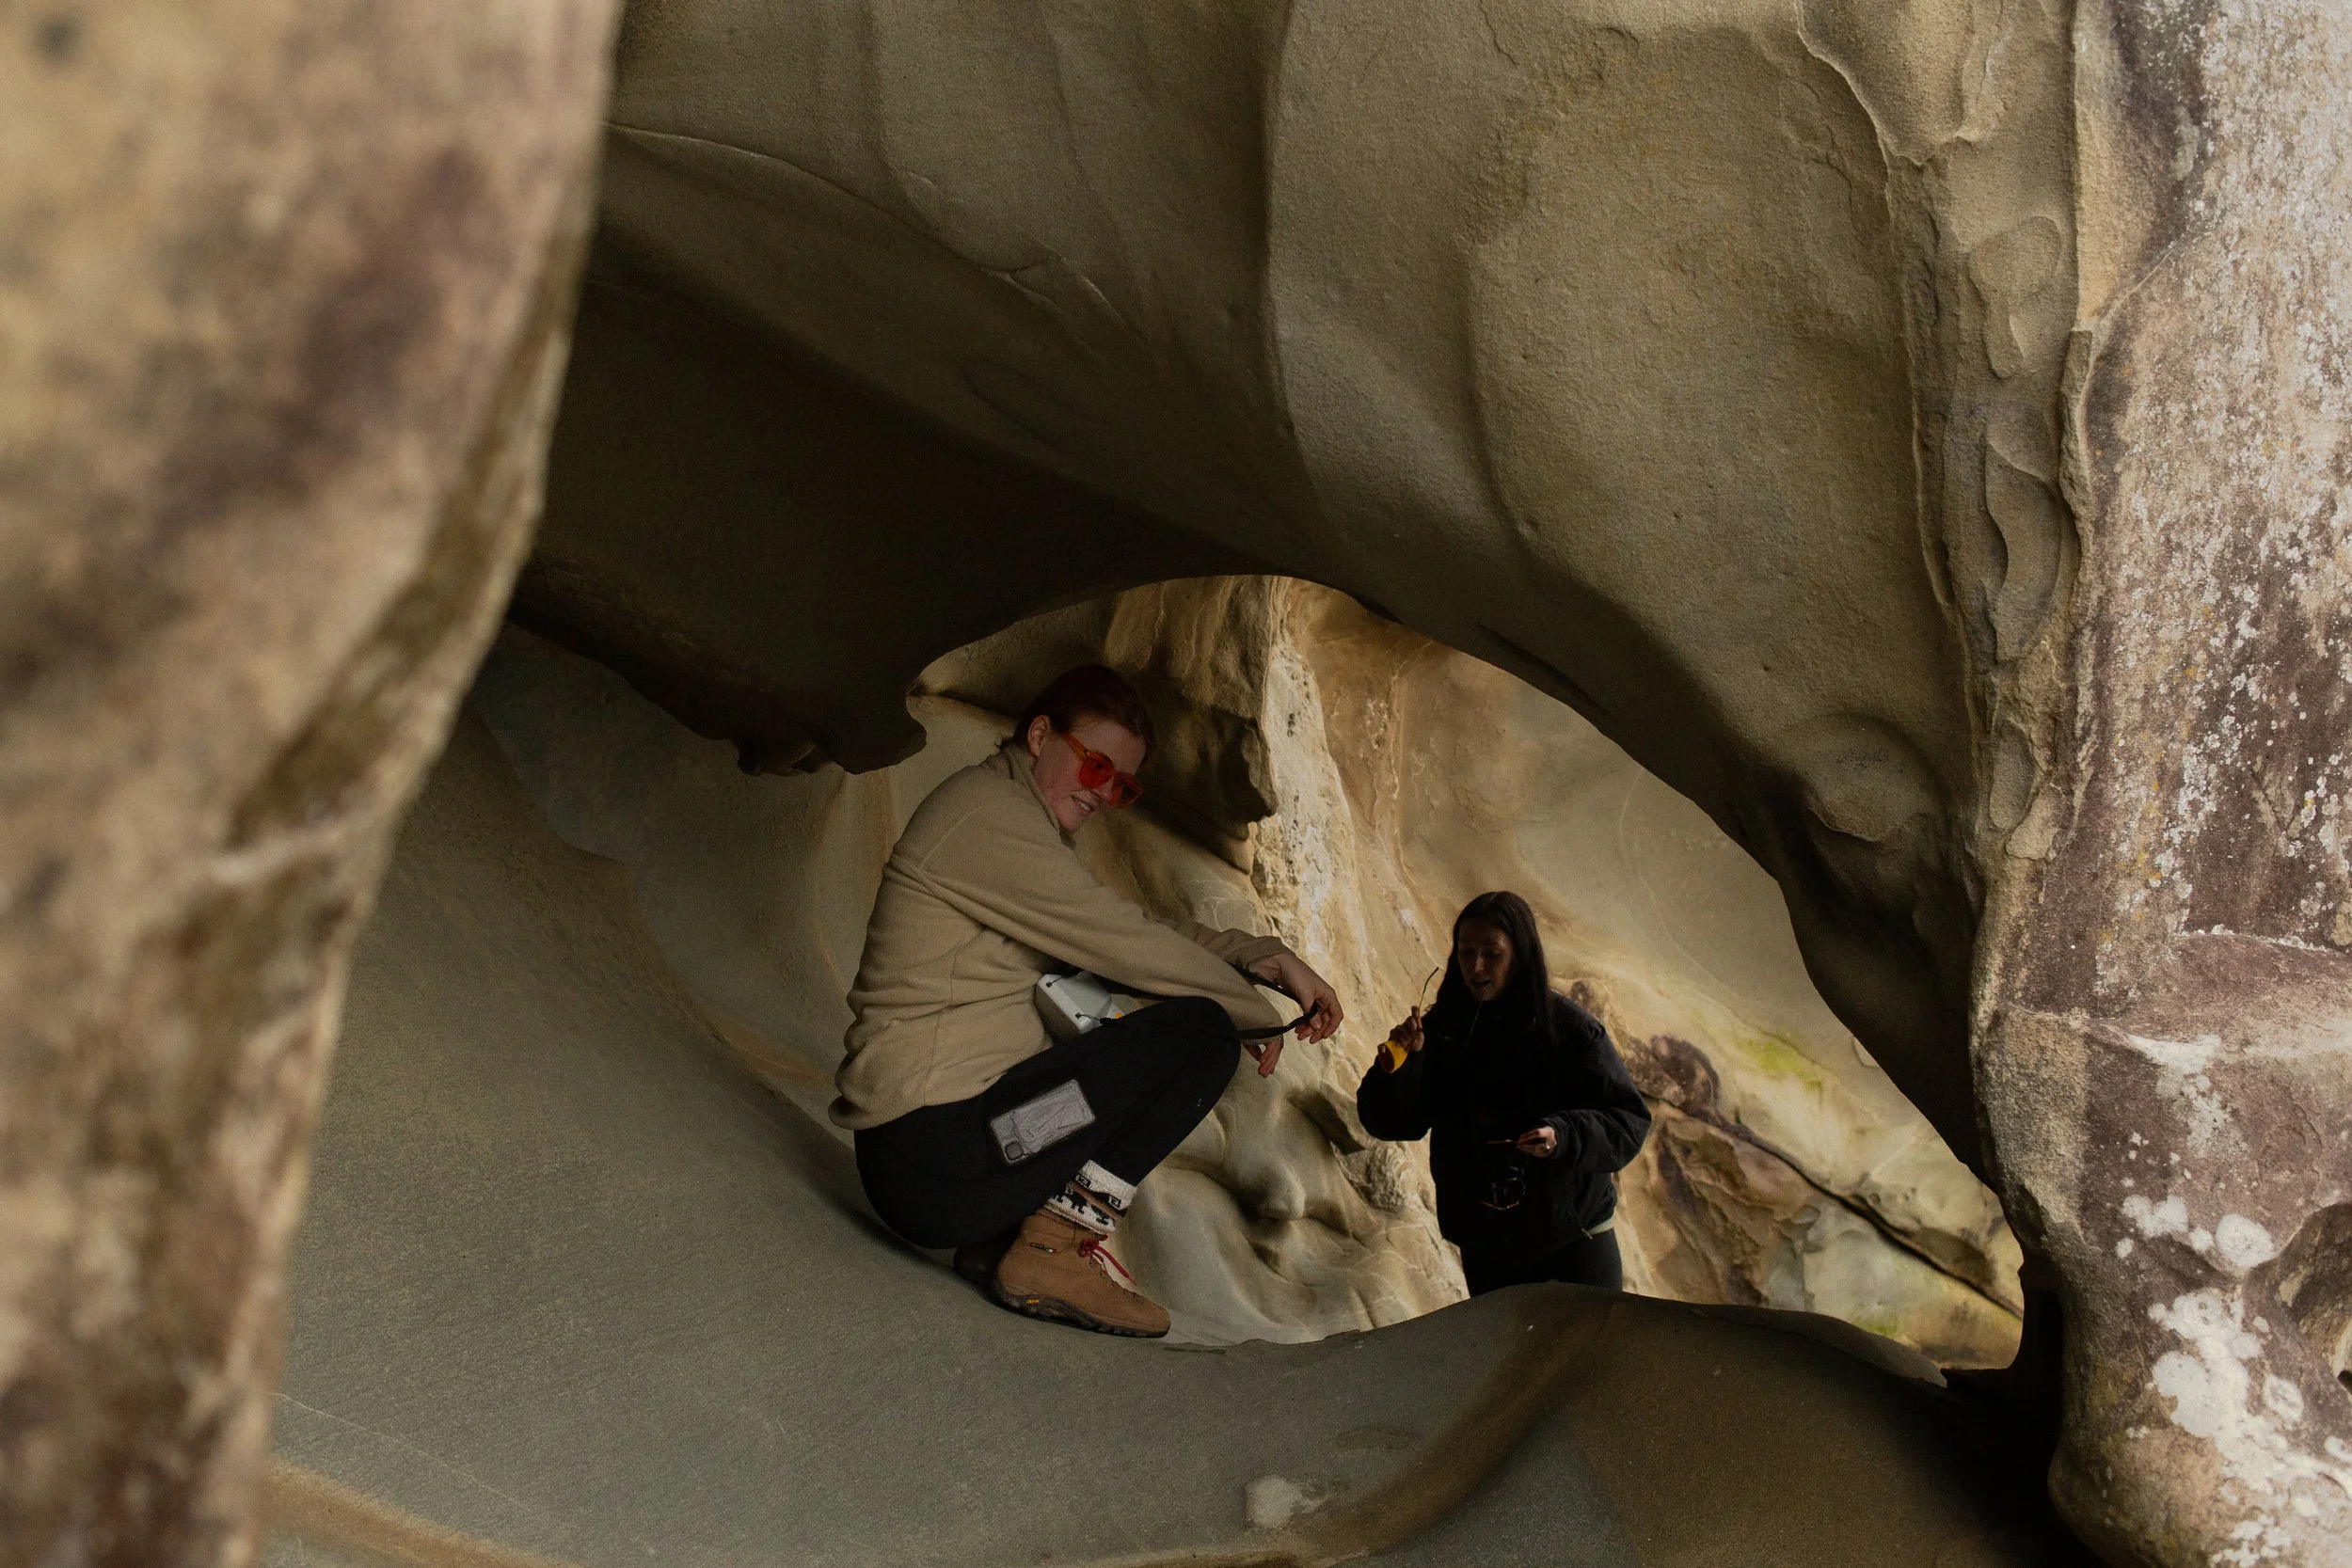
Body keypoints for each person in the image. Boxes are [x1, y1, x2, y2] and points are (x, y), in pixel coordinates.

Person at [833, 664, 1343, 1338]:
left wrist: (1259, 955)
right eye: (1096, 766)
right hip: (931, 1153)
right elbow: (1123, 942)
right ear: (1040, 735)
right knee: (1203, 1035)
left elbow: (1129, 925)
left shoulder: (1018, 823)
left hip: (951, 1154)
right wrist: (1251, 1014)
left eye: (1121, 784)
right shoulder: (986, 814)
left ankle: (1010, 1241)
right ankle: (1052, 1250)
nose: (1104, 793)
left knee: (1170, 1029)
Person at [1356, 891, 1649, 1294]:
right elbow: (1391, 1124)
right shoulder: (1441, 1030)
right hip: (1488, 1245)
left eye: (1492, 954)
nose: (1476, 966)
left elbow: (1627, 1122)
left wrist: (1564, 1136)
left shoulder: (1571, 1032)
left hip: (1576, 1238)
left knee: (1596, 1338)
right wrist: (1402, 1069)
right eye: (1465, 952)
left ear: (1521, 956)